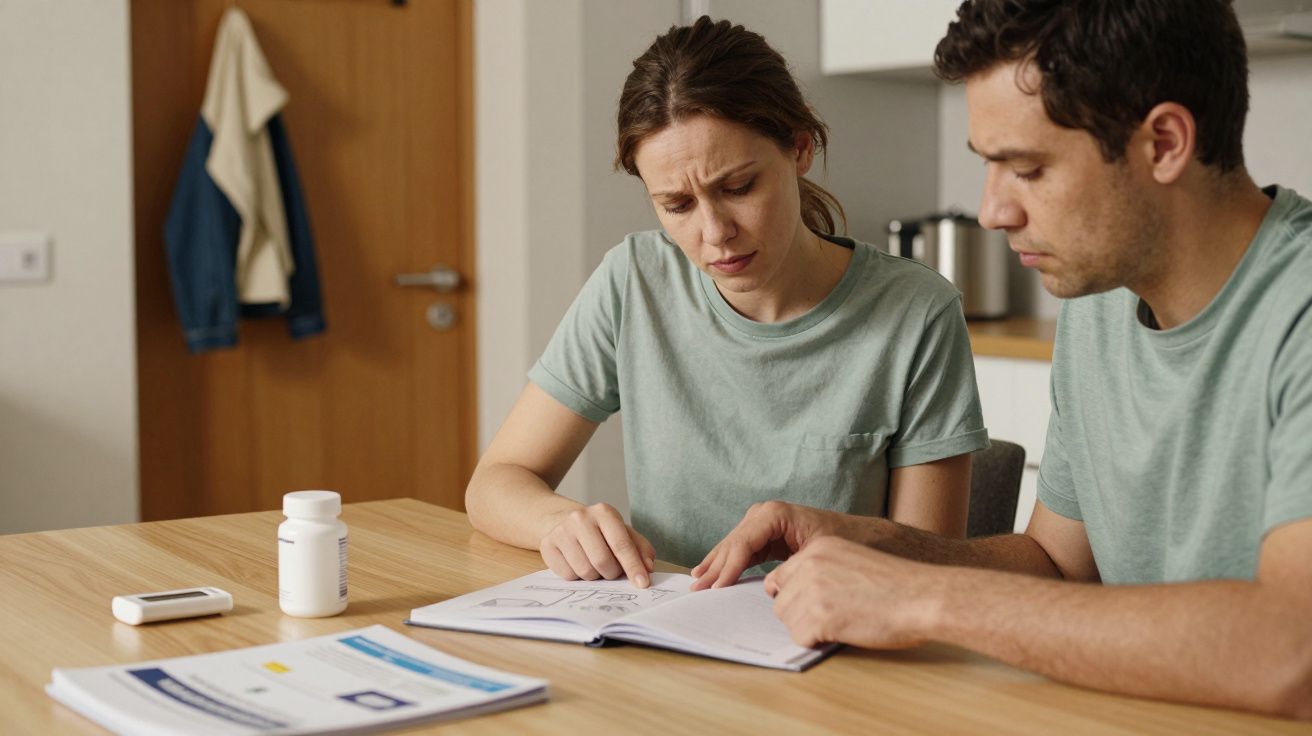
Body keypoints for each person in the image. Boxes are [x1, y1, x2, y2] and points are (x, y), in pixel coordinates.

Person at [692, 0, 1312, 719]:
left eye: (1026, 168)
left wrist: (924, 598)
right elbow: (1059, 567)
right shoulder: (1100, 299)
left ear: (1165, 143)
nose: (991, 212)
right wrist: (871, 544)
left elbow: (1290, 650)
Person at [464, 16, 989, 588]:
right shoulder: (634, 280)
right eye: (676, 205)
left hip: (831, 648)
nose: (714, 233)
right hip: (665, 638)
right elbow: (495, 482)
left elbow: (932, 567)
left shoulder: (917, 312)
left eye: (738, 188)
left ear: (800, 147)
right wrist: (560, 521)